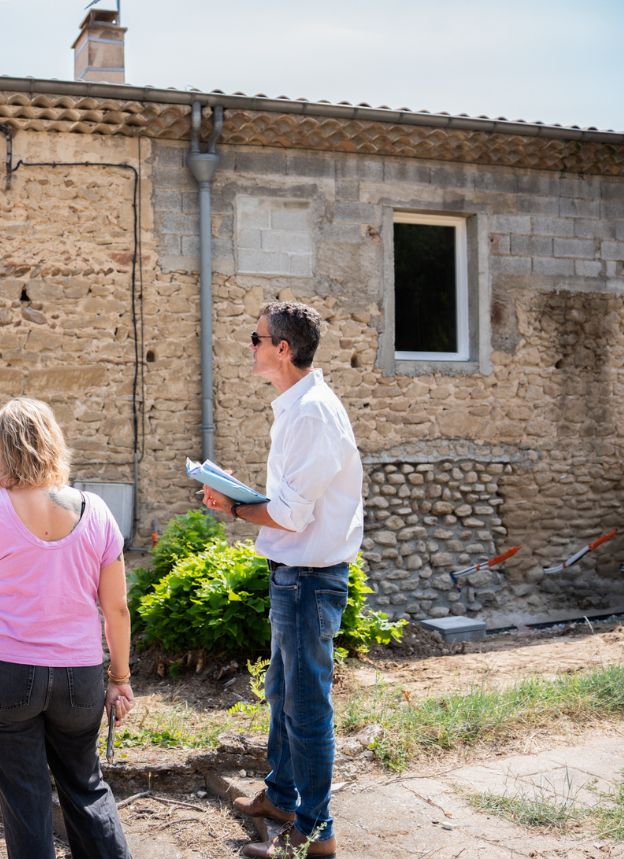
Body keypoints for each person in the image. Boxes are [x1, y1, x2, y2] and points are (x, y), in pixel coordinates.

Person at [202, 302, 363, 859]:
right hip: (296, 576)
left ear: (283, 350)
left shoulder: (312, 414)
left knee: (306, 706)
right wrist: (242, 499)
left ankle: (316, 835)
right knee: (282, 696)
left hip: (309, 579)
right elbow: (295, 504)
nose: (250, 345)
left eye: (257, 337)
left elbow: (291, 515)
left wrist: (235, 509)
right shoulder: (298, 409)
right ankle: (280, 799)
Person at [0, 396, 134, 859]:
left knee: (25, 799)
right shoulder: (97, 511)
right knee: (85, 786)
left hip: (5, 673)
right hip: (79, 677)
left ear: (5, 451)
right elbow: (117, 609)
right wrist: (120, 679)